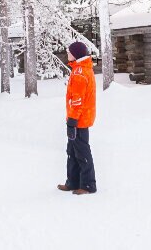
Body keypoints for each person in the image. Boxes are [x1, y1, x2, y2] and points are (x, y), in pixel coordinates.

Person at [58, 41, 97, 195]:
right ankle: (73, 182)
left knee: (81, 152)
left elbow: (77, 100)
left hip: (80, 119)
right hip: (78, 118)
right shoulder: (80, 69)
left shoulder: (80, 72)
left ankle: (88, 185)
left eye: (69, 52)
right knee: (72, 151)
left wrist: (72, 121)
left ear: (76, 54)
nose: (67, 53)